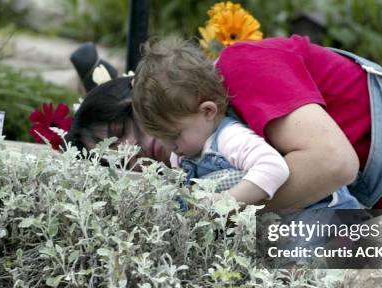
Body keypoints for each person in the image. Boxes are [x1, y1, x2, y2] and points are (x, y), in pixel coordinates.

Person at [68, 36, 382, 210]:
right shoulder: (202, 134)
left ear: (137, 100)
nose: (131, 156)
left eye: (120, 136)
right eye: (111, 159)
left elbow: (333, 164)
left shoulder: (244, 65)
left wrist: (221, 220)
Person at [130, 38, 360, 209]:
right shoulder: (187, 147)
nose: (170, 146)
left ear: (208, 111)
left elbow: (273, 167)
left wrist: (225, 205)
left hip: (324, 212)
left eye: (174, 136)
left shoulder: (230, 137)